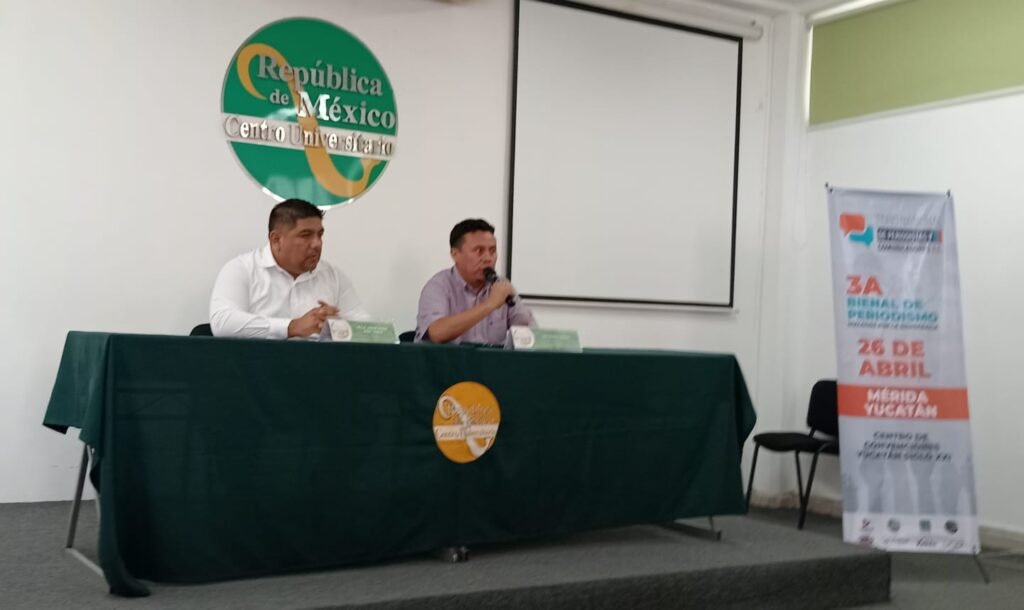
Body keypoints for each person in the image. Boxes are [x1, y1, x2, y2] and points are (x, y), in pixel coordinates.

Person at [210, 199, 370, 339]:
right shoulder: (242, 269)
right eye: (306, 235)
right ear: (276, 240)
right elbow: (222, 322)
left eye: (320, 235)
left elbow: (369, 331)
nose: (317, 244)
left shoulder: (333, 276)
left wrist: (339, 325)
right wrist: (292, 327)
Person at [416, 218, 535, 344]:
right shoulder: (438, 286)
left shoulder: (500, 286)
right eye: (479, 251)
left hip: (491, 357)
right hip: (447, 357)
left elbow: (531, 335)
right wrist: (490, 304)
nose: (488, 258)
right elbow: (437, 333)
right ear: (455, 254)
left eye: (492, 251)